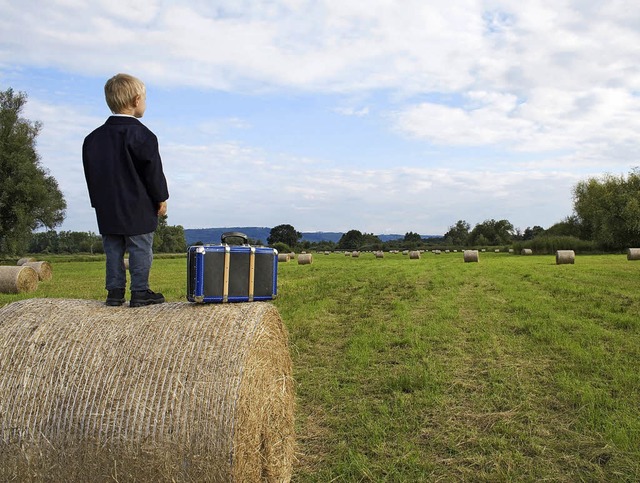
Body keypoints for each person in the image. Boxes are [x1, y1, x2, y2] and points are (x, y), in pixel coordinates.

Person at [83, 73, 169, 307]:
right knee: (140, 248)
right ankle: (140, 292)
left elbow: (91, 175)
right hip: (138, 207)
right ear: (136, 99)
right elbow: (153, 172)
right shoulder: (143, 135)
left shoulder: (92, 139)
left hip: (106, 207)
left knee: (113, 250)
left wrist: (97, 203)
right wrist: (161, 198)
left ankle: (115, 292)